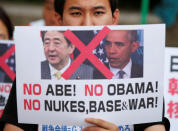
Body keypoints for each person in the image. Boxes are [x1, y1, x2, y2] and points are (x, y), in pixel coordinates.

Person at [0, 0, 170, 131]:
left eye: (98, 12)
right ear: (59, 19)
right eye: (76, 13)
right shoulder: (32, 75)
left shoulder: (144, 76)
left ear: (114, 18)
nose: (88, 23)